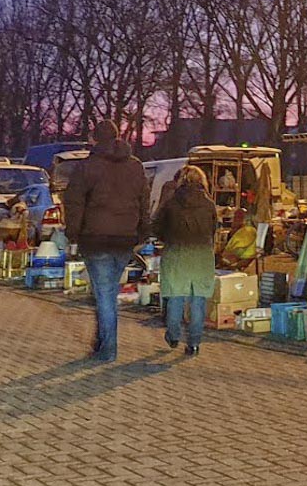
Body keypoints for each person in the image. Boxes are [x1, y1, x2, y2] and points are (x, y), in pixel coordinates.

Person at [62, 119, 151, 362]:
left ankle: (108, 349)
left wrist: (73, 234)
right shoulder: (135, 166)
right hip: (125, 238)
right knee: (107, 292)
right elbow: (144, 200)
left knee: (105, 295)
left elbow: (74, 203)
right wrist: (143, 231)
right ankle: (101, 342)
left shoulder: (87, 167)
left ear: (95, 138)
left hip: (96, 238)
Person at [153, 165, 217, 355]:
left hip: (176, 253)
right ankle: (194, 343)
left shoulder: (171, 204)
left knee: (175, 296)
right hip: (202, 255)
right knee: (198, 299)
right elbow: (213, 229)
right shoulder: (209, 204)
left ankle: (173, 336)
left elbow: (157, 228)